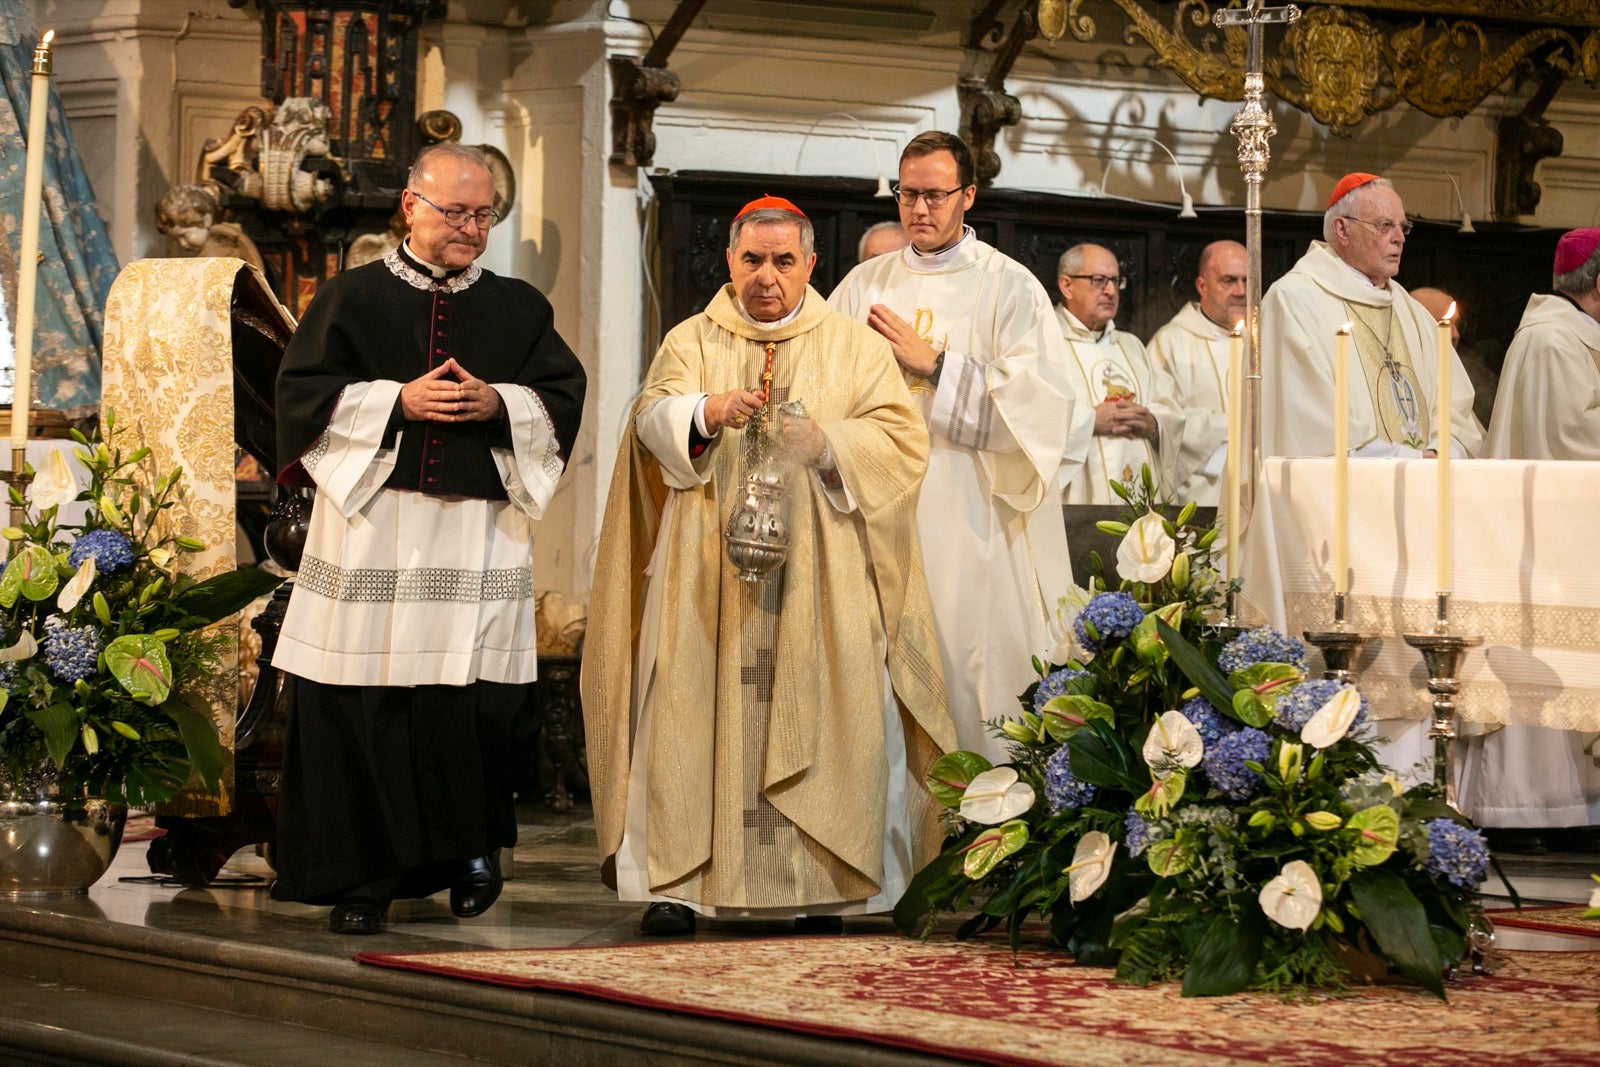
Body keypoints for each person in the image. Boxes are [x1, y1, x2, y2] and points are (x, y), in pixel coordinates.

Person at [582, 195, 954, 936]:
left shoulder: (853, 345)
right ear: (729, 261)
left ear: (812, 265)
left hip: (822, 575)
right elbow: (648, 419)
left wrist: (828, 445)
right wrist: (703, 412)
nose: (766, 277)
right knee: (684, 713)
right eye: (752, 259)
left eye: (784, 261)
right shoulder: (692, 338)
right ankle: (680, 887)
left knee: (830, 715)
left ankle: (823, 886)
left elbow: (901, 443)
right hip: (704, 575)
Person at [271, 142, 587, 934]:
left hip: (474, 533)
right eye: (456, 212)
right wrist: (395, 401)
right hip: (374, 528)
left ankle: (469, 853)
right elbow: (300, 400)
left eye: (484, 215)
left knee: (469, 703)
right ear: (411, 205)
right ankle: (362, 875)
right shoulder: (347, 298)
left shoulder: (519, 307)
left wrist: (501, 402)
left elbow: (560, 398)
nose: (472, 229)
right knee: (365, 702)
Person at [829, 131, 1083, 761]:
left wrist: (938, 365)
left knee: (966, 669)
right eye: (907, 193)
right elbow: (824, 380)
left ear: (968, 195)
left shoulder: (1009, 285)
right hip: (880, 507)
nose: (919, 208)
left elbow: (1046, 414)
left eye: (935, 195)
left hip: (969, 514)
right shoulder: (864, 284)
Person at [1463, 228, 1600, 854]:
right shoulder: (1551, 341)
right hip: (1545, 543)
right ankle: (1538, 809)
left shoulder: (1570, 335)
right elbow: (1570, 438)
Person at [1260, 173, 1482, 460]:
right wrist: (1407, 460)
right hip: (1343, 492)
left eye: (1403, 227)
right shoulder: (1294, 300)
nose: (1400, 238)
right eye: (1385, 225)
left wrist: (1441, 451)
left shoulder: (1409, 308)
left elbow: (1455, 405)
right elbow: (1309, 422)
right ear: (1342, 230)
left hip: (1425, 486)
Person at [1054, 243, 1183, 504]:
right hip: (1077, 502)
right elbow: (1028, 420)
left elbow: (1171, 409)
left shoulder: (1131, 346)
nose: (1111, 291)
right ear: (1067, 285)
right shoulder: (1045, 342)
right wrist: (1088, 421)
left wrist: (1153, 423)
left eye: (1115, 281)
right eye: (1098, 280)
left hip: (1144, 500)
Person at [1147, 240, 1246, 506]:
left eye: (1248, 281)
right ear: (1202, 286)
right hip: (1200, 495)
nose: (1242, 291)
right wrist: (1234, 427)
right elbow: (1163, 420)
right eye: (1229, 280)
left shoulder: (1267, 339)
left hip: (1260, 492)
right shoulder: (1169, 343)